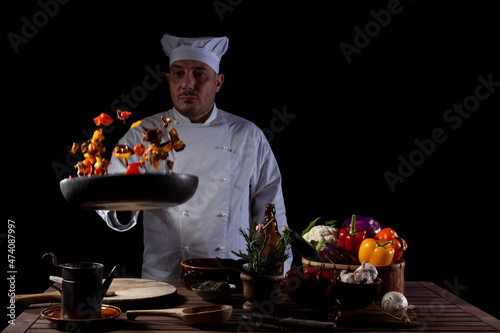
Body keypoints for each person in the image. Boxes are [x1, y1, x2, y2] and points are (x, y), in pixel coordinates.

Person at [97, 34, 291, 281]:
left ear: (218, 82)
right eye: (178, 73)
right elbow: (112, 187)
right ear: (169, 79)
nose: (187, 84)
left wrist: (279, 279)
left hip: (234, 279)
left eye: (200, 74)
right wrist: (124, 208)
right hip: (166, 280)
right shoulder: (144, 134)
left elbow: (272, 210)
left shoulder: (248, 135)